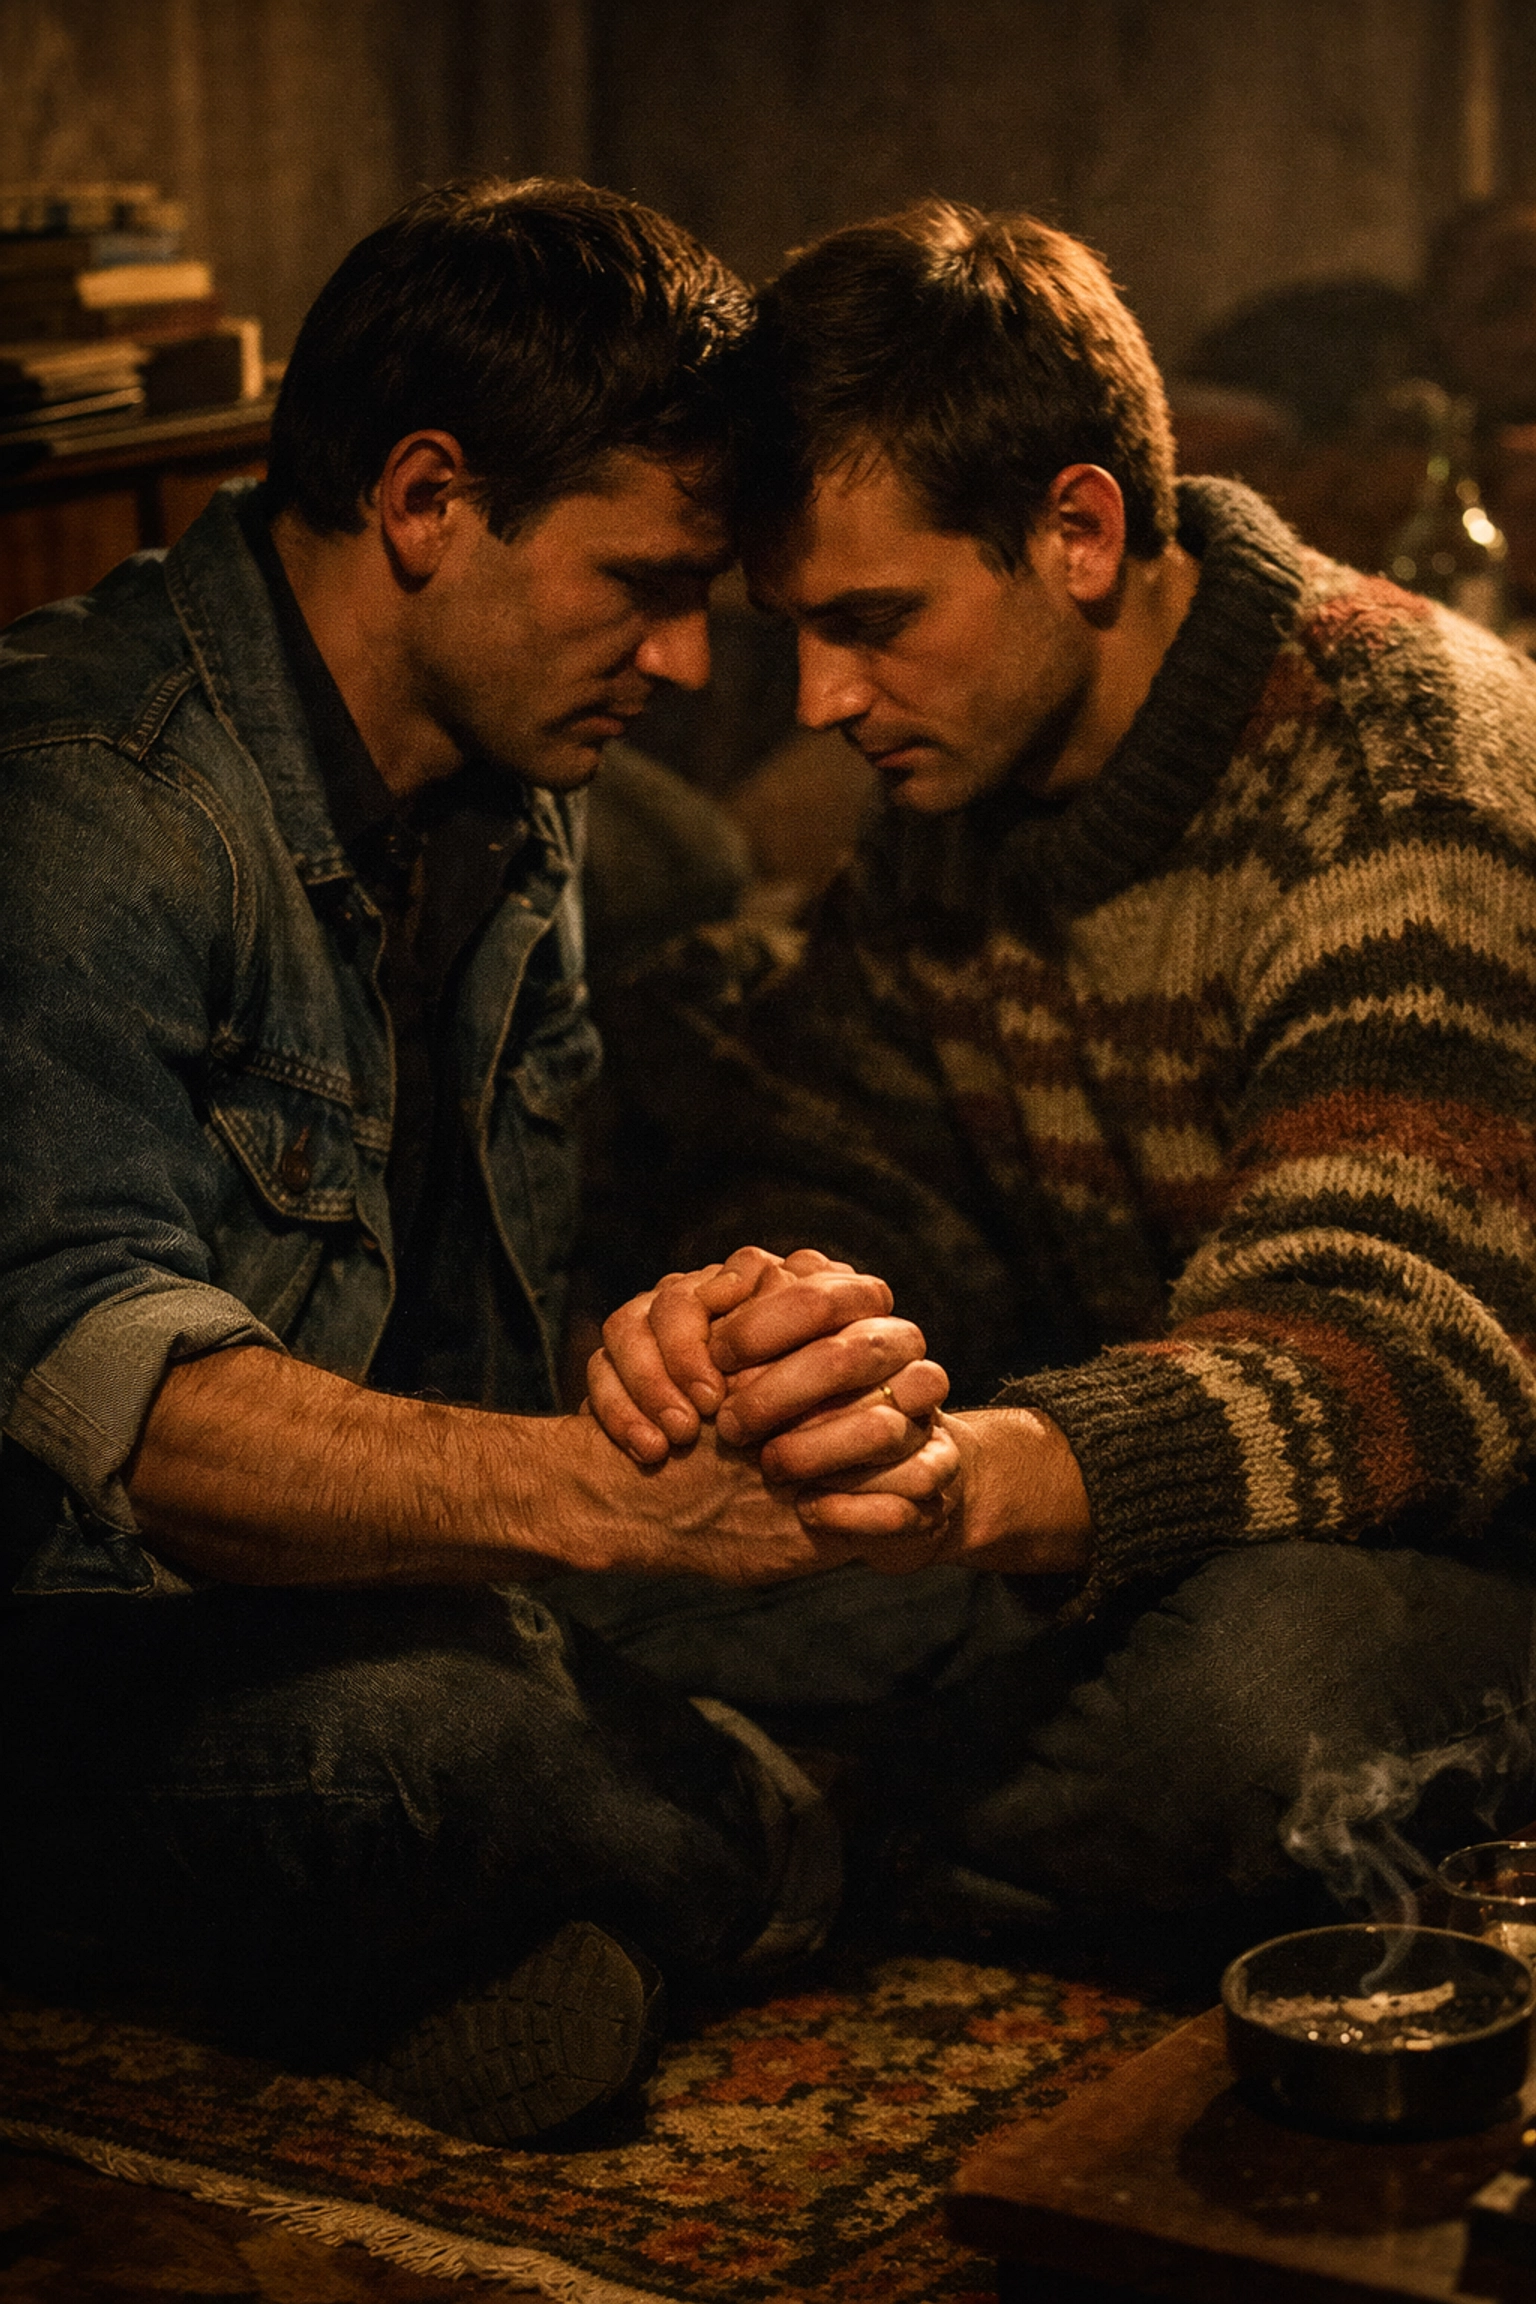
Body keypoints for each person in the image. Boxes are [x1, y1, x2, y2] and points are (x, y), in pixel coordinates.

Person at [0, 178, 958, 2147]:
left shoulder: (514, 786)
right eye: (648, 584)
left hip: (421, 1581)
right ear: (428, 502)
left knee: (952, 1568)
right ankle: (757, 1857)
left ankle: (539, 1919)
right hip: (101, 1656)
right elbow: (127, 1404)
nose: (690, 664)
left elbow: (480, 1330)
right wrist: (597, 1501)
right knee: (446, 1751)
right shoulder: (83, 799)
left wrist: (690, 1350)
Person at [580, 199, 1536, 1944]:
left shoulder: (1406, 768)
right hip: (1139, 1511)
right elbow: (835, 1141)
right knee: (613, 1555)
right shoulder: (963, 786)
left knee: (1255, 1721)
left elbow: (1391, 1355)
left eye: (873, 618)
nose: (818, 698)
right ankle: (816, 1816)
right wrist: (774, 1328)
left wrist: (987, 1479)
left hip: (1461, 1542)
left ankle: (750, 1851)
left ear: (1079, 532)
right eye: (797, 623)